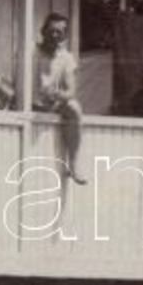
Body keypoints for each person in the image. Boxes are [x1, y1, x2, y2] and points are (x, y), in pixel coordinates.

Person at [33, 12, 86, 183]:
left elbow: (71, 91)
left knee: (74, 108)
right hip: (27, 102)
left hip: (49, 104)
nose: (55, 35)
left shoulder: (66, 58)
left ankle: (74, 164)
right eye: (51, 31)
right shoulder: (31, 50)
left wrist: (57, 94)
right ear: (43, 31)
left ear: (65, 36)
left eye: (59, 32)